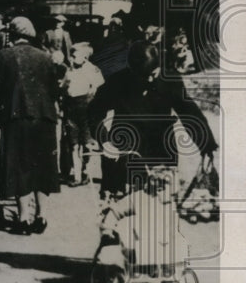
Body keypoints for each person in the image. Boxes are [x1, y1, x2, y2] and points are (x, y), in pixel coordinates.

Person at [89, 41, 217, 200]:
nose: (150, 80)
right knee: (124, 206)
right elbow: (93, 113)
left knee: (160, 205)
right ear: (133, 71)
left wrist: (207, 146)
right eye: (145, 75)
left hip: (161, 150)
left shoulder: (170, 80)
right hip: (126, 150)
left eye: (154, 74)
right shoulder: (118, 81)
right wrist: (106, 141)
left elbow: (189, 113)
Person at [0, 16, 61, 234]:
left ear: (11, 34)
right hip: (44, 118)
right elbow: (54, 91)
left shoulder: (3, 56)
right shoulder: (45, 57)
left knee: (20, 166)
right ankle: (41, 216)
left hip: (16, 117)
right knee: (42, 167)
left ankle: (23, 218)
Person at [60, 42, 104, 186]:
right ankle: (77, 176)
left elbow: (99, 85)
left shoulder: (92, 69)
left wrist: (93, 98)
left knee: (87, 142)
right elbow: (64, 86)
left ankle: (85, 171)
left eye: (74, 56)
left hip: (86, 108)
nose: (71, 59)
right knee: (73, 143)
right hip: (71, 107)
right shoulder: (70, 70)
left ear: (85, 57)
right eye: (70, 56)